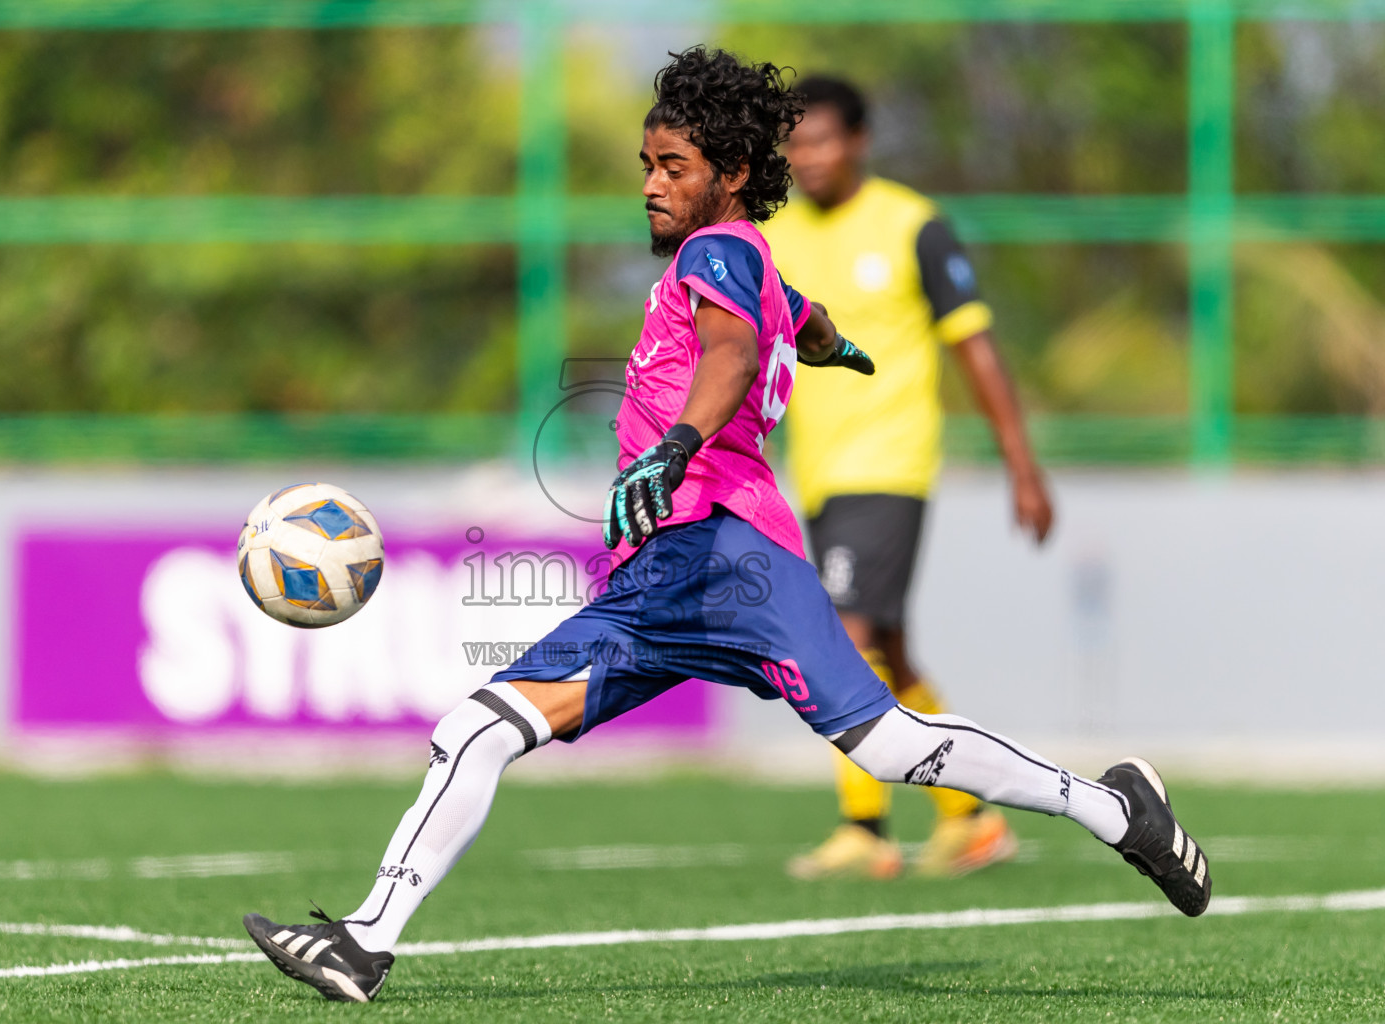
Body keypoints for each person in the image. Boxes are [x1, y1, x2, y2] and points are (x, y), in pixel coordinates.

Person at [242, 47, 1210, 1004]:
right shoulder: (758, 264)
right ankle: (363, 942)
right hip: (666, 574)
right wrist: (833, 347)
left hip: (725, 550)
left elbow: (735, 348)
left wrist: (678, 444)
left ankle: (1115, 809)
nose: (654, 188)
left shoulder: (717, 253)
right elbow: (801, 317)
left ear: (733, 175)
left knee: (882, 742)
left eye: (675, 169)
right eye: (647, 168)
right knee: (479, 730)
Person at [763, 75, 1055, 881]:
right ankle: (970, 819)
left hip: (888, 466)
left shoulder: (911, 225)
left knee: (842, 638)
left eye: (822, 140)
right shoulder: (776, 235)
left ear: (858, 141)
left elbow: (976, 345)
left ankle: (865, 828)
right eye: (795, 144)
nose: (808, 157)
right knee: (888, 645)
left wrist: (1021, 466)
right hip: (818, 475)